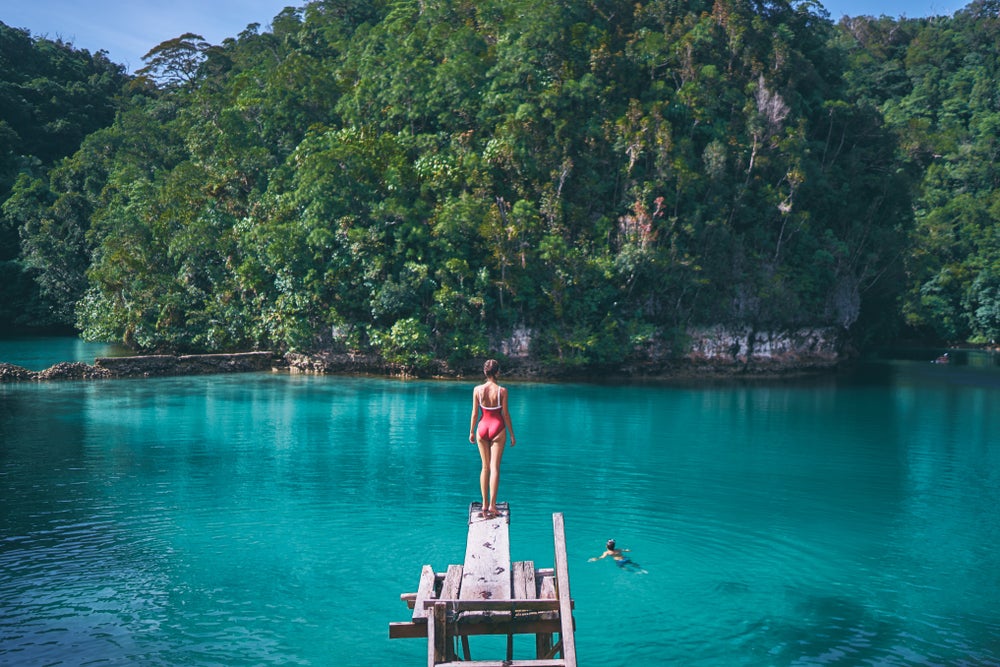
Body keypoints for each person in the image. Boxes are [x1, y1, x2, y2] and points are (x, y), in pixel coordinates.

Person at [469, 359, 516, 518]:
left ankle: (483, 504)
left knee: (485, 467)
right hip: (498, 428)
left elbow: (475, 413)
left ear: (484, 372)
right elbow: (506, 414)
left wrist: (471, 432)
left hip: (482, 428)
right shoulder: (502, 391)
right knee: (495, 468)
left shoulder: (477, 390)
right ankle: (492, 506)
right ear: (497, 372)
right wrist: (511, 434)